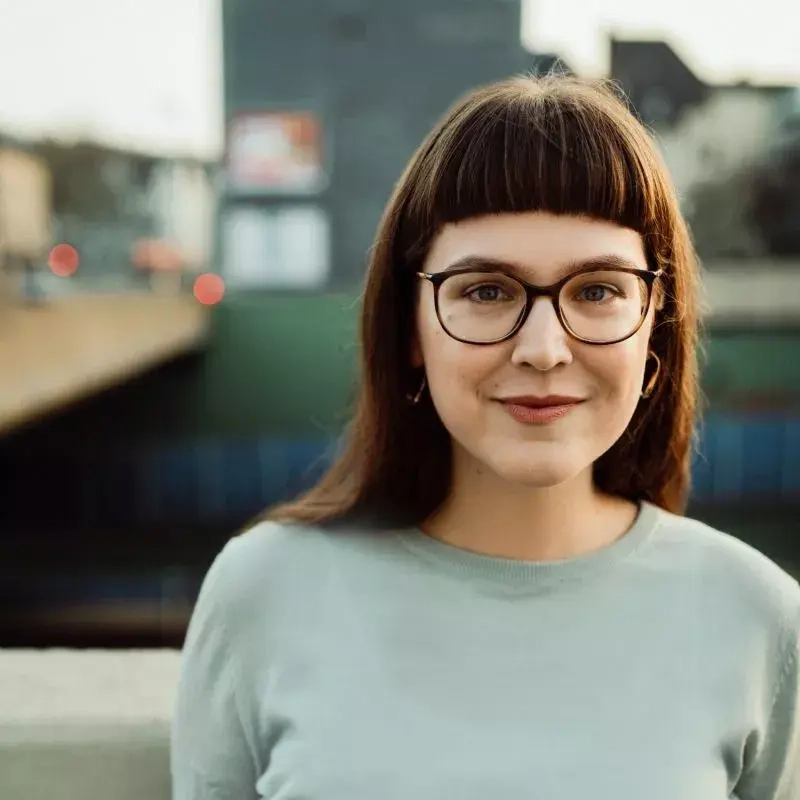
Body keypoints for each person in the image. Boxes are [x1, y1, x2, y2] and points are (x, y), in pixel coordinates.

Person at [171, 75, 800, 799]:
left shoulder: (757, 617)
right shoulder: (262, 593)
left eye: (596, 290)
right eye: (486, 291)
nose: (542, 348)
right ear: (411, 325)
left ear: (653, 319)